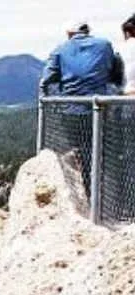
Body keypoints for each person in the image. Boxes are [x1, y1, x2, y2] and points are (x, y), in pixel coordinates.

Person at [40, 21, 117, 196]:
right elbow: (112, 71)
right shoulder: (104, 45)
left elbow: (46, 79)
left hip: (72, 109)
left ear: (70, 33)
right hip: (101, 106)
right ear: (87, 31)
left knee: (81, 151)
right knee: (100, 147)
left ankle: (90, 192)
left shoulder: (61, 49)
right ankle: (102, 191)